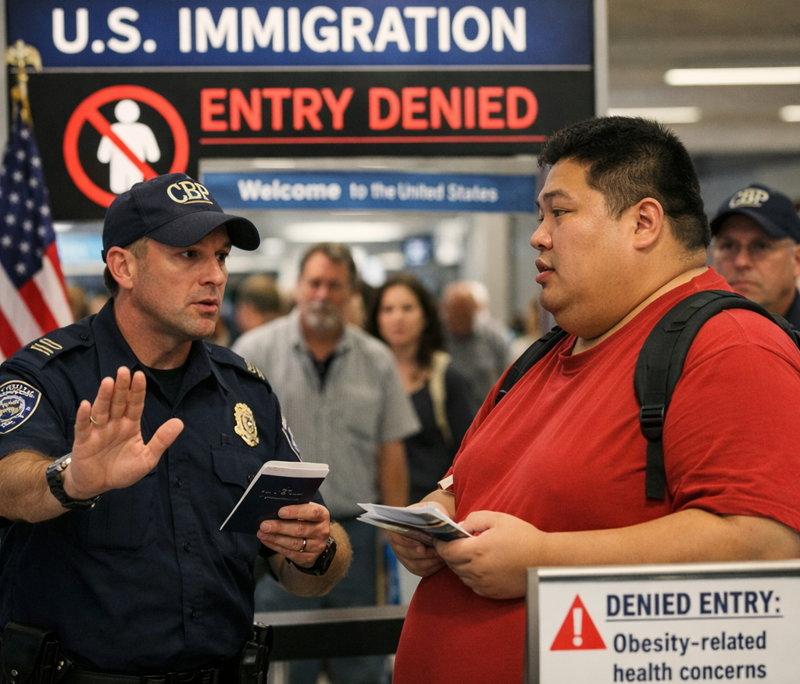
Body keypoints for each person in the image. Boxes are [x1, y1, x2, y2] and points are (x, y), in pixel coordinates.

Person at [388, 117, 800, 684]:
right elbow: (465, 480)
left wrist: (543, 562)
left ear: (643, 222)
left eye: (560, 212)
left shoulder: (732, 346)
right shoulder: (547, 353)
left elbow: (765, 543)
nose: (539, 235)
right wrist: (436, 514)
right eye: (540, 216)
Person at [0, 173, 351, 677]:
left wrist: (317, 551)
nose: (215, 276)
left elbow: (305, 572)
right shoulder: (48, 374)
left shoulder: (246, 391)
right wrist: (69, 480)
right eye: (189, 255)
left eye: (222, 256)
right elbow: (8, 484)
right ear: (123, 266)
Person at [232, 243, 420, 684]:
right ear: (297, 287)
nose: (322, 294)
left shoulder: (376, 360)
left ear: (351, 293)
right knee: (282, 662)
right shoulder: (253, 351)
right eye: (314, 283)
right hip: (278, 537)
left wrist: (392, 542)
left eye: (334, 286)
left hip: (354, 539)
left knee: (361, 662)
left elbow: (390, 453)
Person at [367, 273, 476, 505]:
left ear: (425, 316)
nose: (397, 317)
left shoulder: (446, 377)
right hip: (374, 508)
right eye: (387, 309)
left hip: (434, 507)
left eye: (407, 308)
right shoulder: (363, 376)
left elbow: (469, 453)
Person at [708, 183, 800, 328]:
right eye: (728, 246)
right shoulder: (694, 335)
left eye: (761, 246)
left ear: (797, 260)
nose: (741, 262)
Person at [439, 281, 510, 408]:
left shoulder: (494, 336)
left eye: (465, 314)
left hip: (487, 414)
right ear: (445, 310)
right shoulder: (437, 338)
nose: (460, 320)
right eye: (456, 313)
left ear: (475, 309)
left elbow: (509, 379)